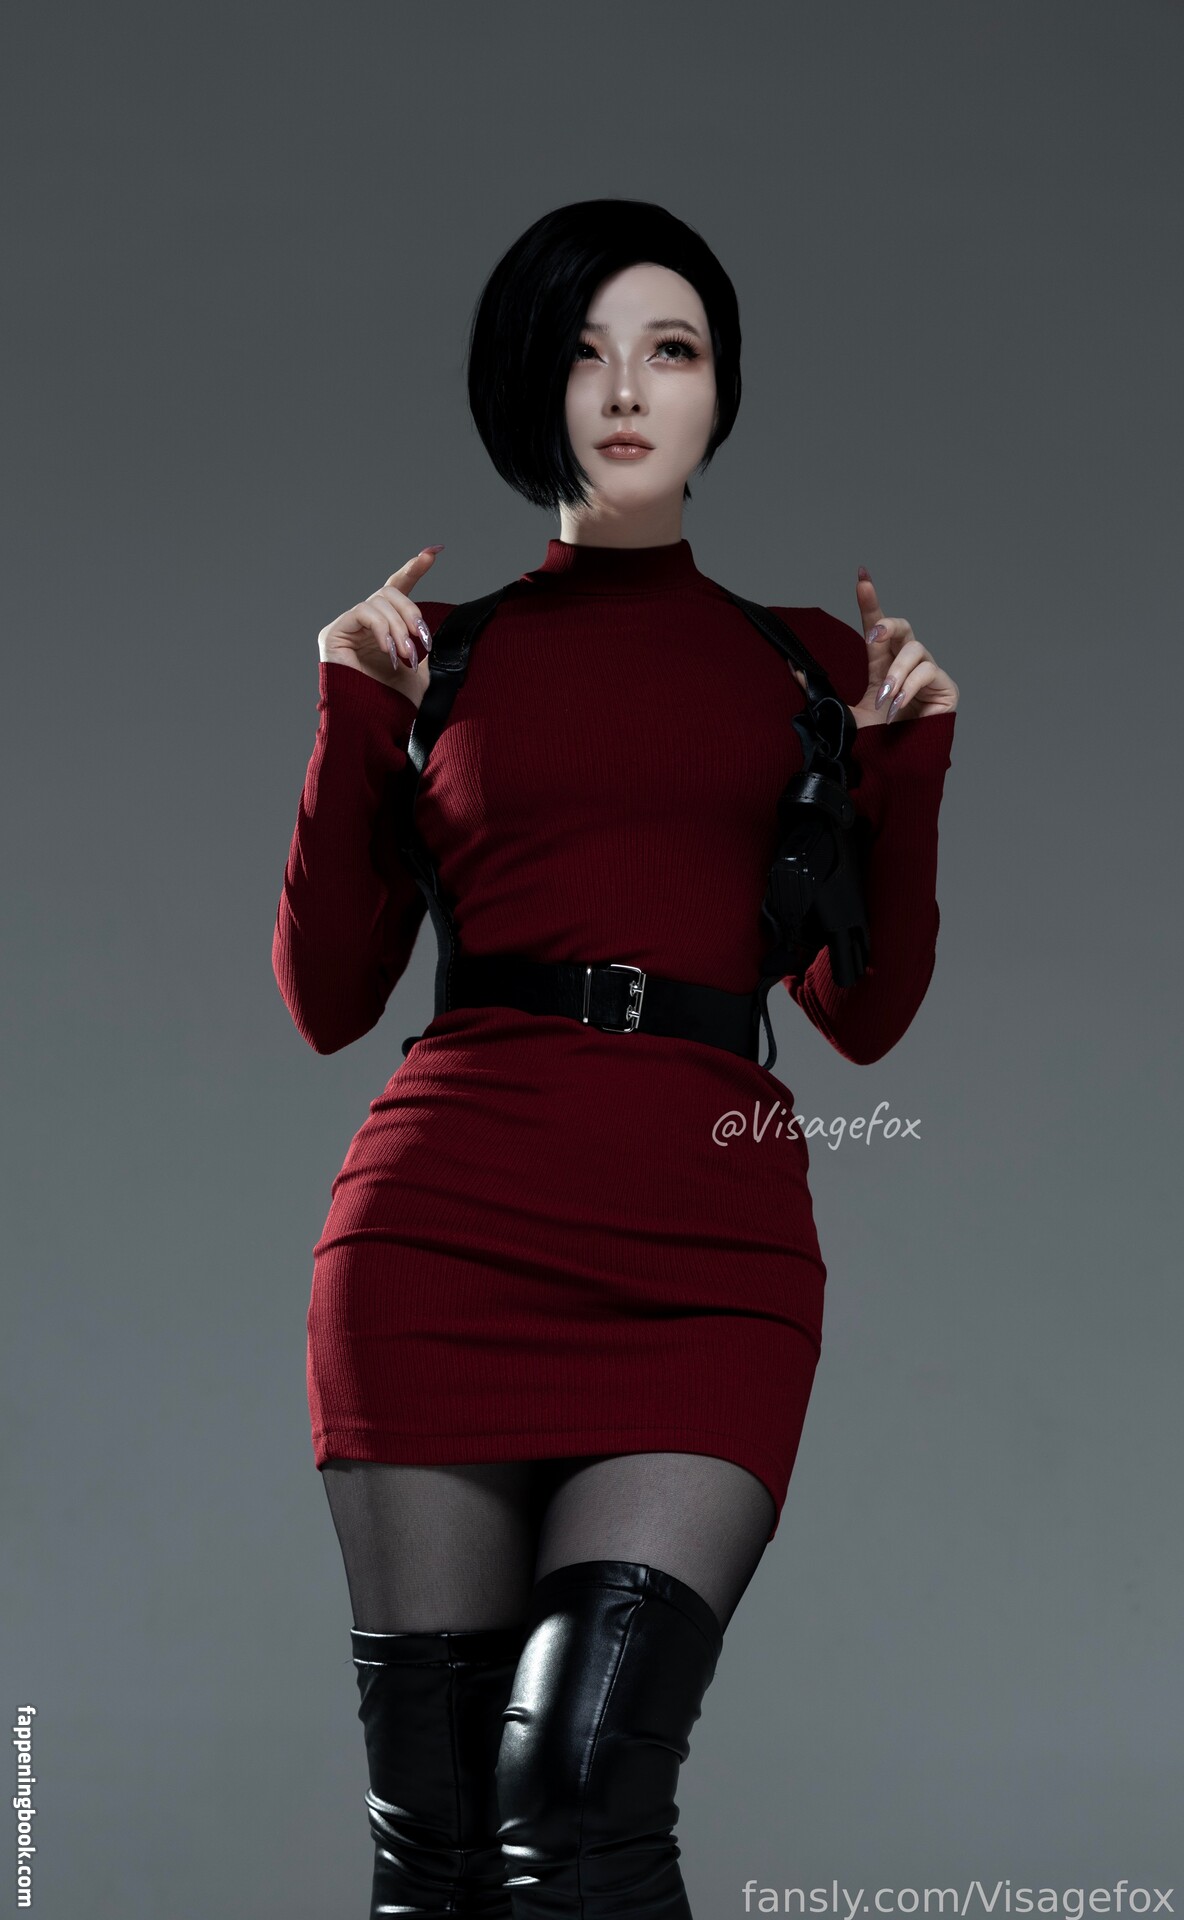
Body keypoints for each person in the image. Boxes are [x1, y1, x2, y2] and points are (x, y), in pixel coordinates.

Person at [272, 197, 959, 1918]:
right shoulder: (444, 658)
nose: (630, 390)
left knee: (577, 1797)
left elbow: (862, 1012)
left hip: (707, 1259)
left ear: (722, 388)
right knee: (441, 1838)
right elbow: (330, 998)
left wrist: (909, 768)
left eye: (672, 350)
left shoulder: (807, 668)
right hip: (441, 1239)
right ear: (533, 387)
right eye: (584, 354)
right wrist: (350, 712)